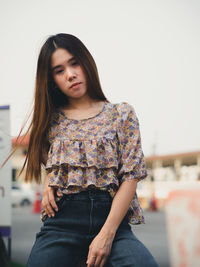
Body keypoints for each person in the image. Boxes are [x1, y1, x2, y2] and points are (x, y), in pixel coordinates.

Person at [13, 33, 159, 266]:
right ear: (51, 80)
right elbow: (52, 163)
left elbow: (130, 177)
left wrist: (106, 235)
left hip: (112, 223)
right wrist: (49, 179)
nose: (70, 74)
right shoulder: (50, 121)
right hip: (61, 224)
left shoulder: (121, 114)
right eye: (59, 71)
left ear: (86, 62)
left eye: (74, 63)